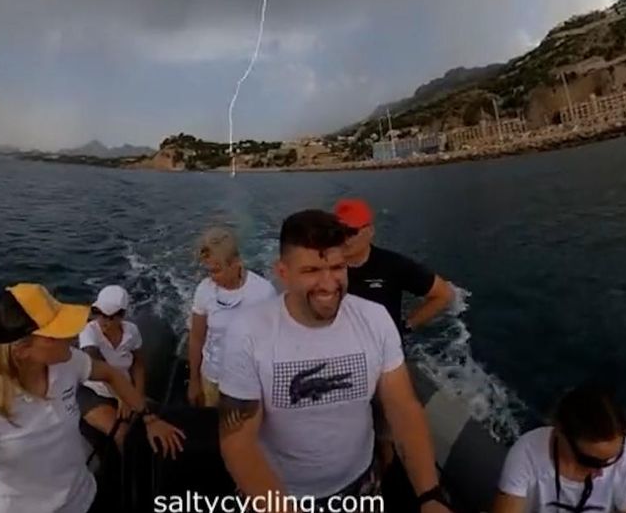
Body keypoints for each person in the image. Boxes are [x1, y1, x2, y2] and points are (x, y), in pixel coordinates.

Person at [216, 209, 454, 511]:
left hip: (361, 487)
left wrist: (430, 496)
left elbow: (403, 409)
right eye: (312, 270)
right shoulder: (248, 332)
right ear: (283, 273)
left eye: (337, 267)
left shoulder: (375, 319)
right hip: (279, 495)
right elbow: (238, 441)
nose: (329, 284)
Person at [0, 283, 185, 513]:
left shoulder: (69, 362)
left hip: (86, 499)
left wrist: (149, 419)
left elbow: (111, 374)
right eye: (57, 333)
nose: (71, 336)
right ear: (22, 350)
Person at [491, 383, 626, 513]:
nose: (601, 472)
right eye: (589, 461)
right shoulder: (527, 452)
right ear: (560, 432)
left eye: (613, 459)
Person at [334, 197, 455, 336]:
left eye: (351, 232)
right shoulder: (322, 266)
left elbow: (443, 294)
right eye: (338, 232)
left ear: (370, 231)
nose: (344, 239)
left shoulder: (393, 265)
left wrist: (406, 326)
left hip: (382, 346)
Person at [187, 225, 276, 408]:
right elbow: (196, 338)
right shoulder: (204, 290)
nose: (212, 277)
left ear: (235, 263)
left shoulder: (263, 292)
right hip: (212, 379)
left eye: (217, 270)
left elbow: (272, 343)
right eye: (209, 271)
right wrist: (194, 381)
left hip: (250, 383)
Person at [78, 284, 144, 453]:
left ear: (121, 316)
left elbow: (138, 364)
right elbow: (98, 364)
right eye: (98, 313)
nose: (102, 320)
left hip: (125, 390)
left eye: (108, 317)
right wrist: (122, 396)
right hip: (94, 392)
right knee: (123, 433)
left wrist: (137, 395)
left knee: (151, 421)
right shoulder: (89, 331)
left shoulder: (132, 331)